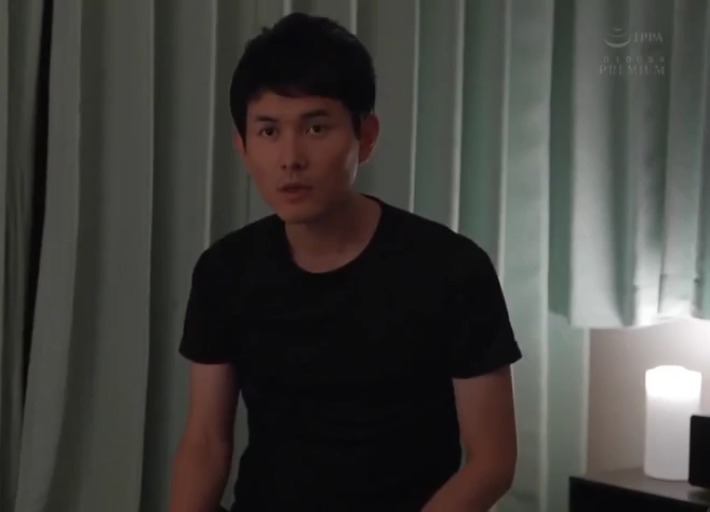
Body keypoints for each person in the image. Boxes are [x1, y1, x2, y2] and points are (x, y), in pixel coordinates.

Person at [169, 12, 521, 512]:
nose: (290, 157)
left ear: (366, 136)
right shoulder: (225, 271)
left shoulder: (451, 269)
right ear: (242, 147)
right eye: (268, 132)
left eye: (316, 127)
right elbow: (205, 443)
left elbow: (492, 461)